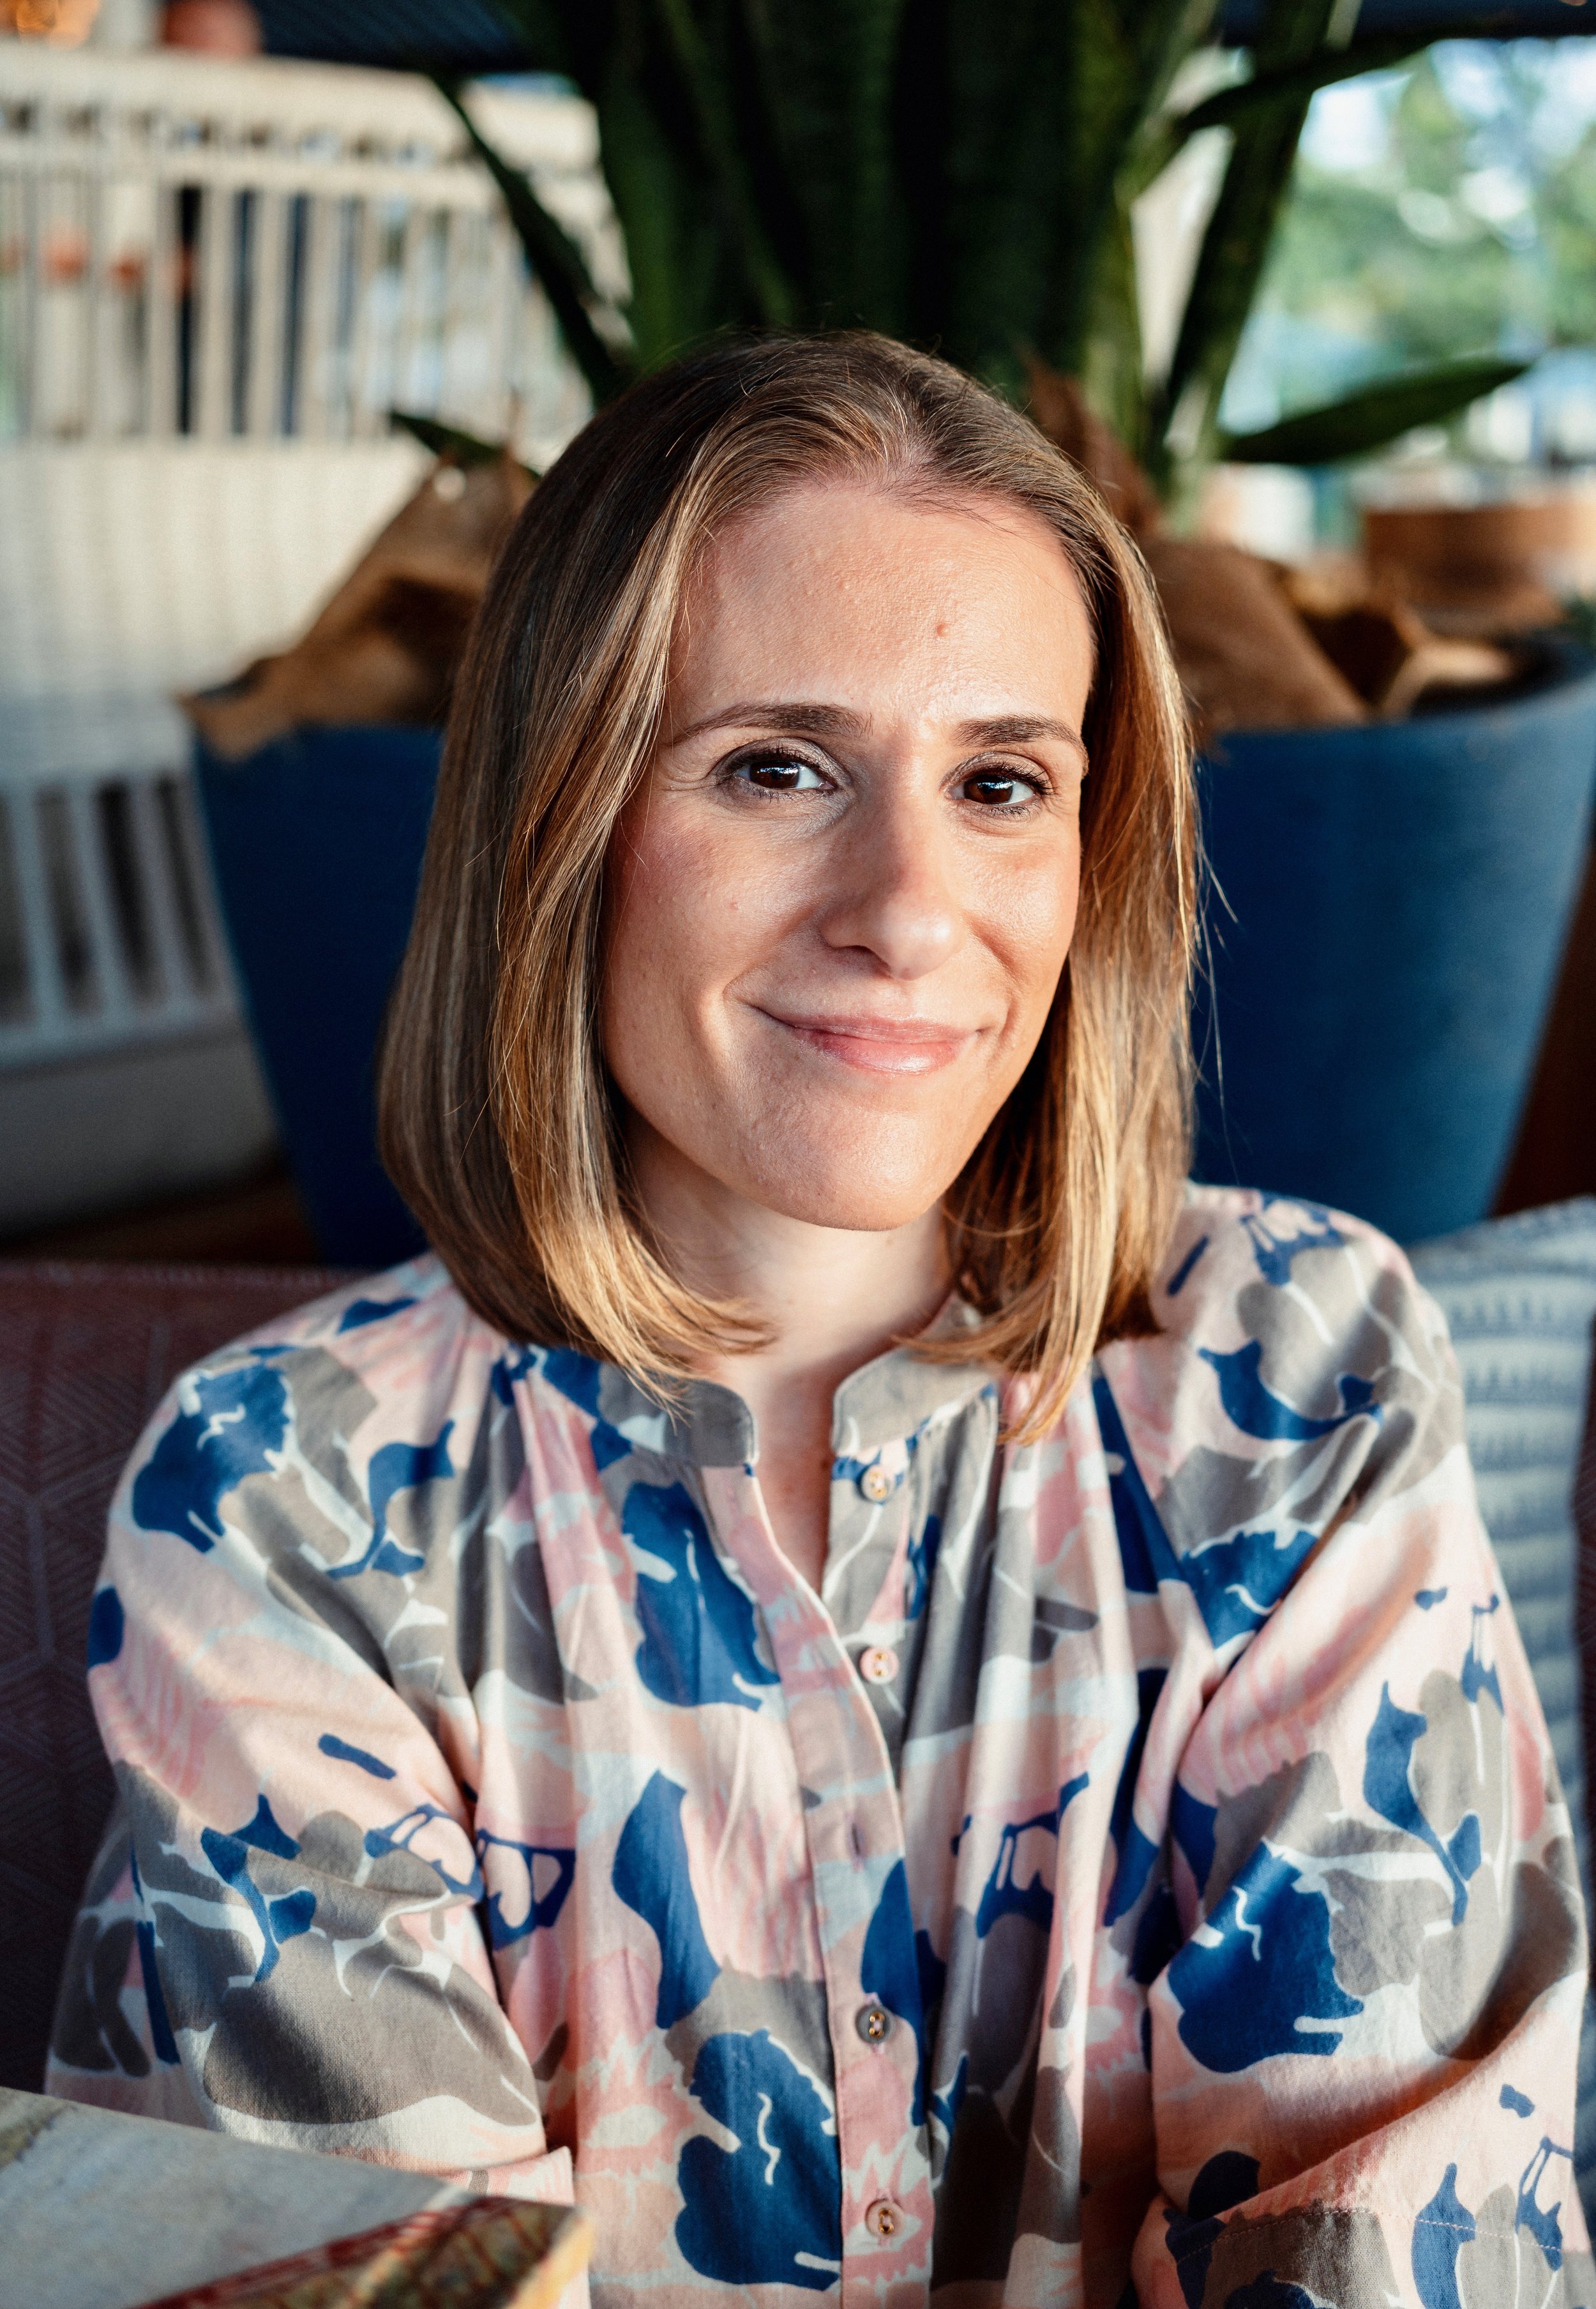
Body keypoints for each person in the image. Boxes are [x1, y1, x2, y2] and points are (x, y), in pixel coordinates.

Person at [49, 335, 1588, 2309]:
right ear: (558, 816)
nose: (909, 907)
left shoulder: (1299, 1376)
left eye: (1002, 781)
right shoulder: (282, 1494)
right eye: (777, 768)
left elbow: (1379, 2243)